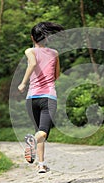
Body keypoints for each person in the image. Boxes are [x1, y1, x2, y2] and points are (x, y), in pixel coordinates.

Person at [18, 22, 64, 173]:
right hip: (48, 97)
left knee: (39, 132)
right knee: (43, 132)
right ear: (46, 38)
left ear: (32, 38)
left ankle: (41, 164)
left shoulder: (29, 51)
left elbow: (32, 63)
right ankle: (32, 142)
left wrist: (25, 83)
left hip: (31, 99)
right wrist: (23, 82)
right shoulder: (54, 53)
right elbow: (57, 75)